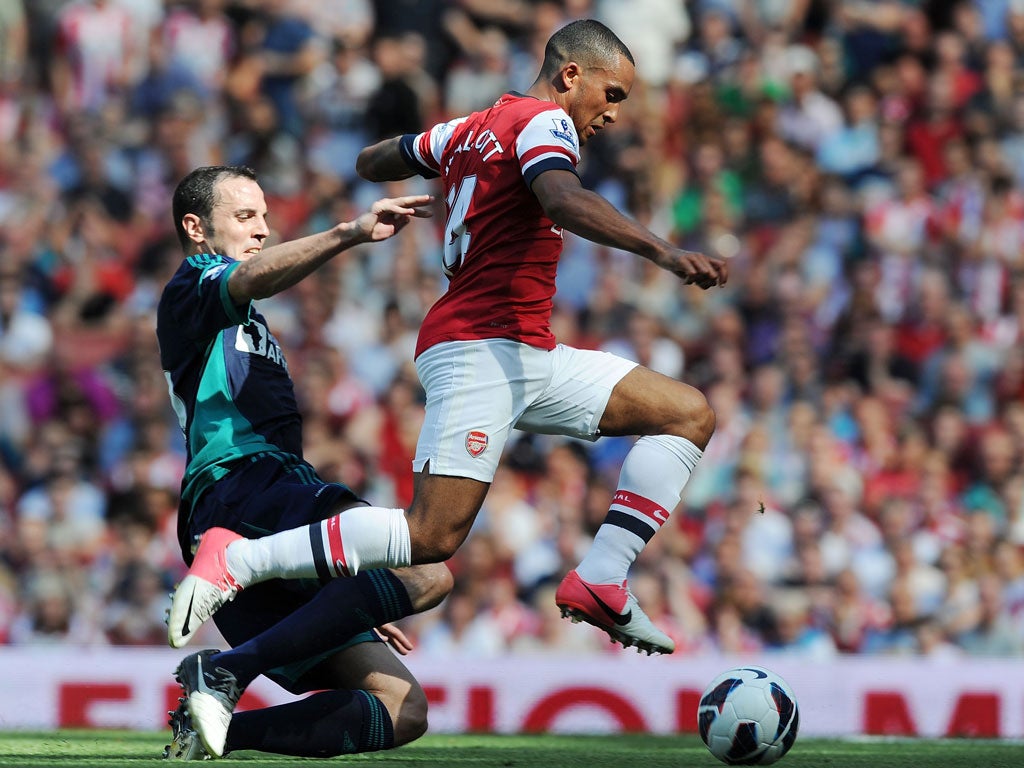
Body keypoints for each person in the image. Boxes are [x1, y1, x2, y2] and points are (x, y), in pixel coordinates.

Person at [167, 18, 726, 674]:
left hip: (526, 349)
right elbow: (563, 197)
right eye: (612, 93)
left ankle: (603, 576)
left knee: (687, 413)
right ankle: (243, 560)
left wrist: (438, 151)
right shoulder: (547, 124)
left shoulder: (467, 129)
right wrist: (662, 250)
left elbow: (372, 161)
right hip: (480, 345)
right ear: (571, 74)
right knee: (430, 539)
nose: (613, 111)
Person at [157, 165, 452, 760]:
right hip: (241, 485)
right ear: (196, 228)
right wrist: (346, 233)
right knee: (427, 569)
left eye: (265, 216)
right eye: (245, 217)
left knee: (403, 711)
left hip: (257, 507)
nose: (262, 229)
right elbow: (253, 279)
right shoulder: (191, 290)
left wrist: (359, 594)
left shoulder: (240, 319)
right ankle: (230, 668)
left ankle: (209, 724)